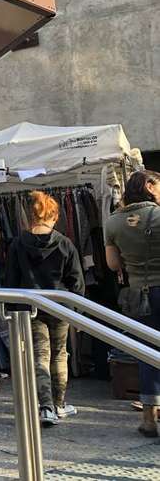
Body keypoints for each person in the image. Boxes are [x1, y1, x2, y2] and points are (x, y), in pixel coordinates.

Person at [6, 191, 85, 427]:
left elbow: (10, 280)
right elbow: (76, 280)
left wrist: (11, 309)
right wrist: (77, 313)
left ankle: (46, 406)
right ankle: (58, 405)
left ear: (31, 215)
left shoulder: (18, 244)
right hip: (59, 308)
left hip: (30, 308)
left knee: (40, 355)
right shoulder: (64, 243)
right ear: (53, 215)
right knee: (59, 354)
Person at [105, 170, 160, 438]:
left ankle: (149, 418)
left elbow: (113, 264)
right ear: (149, 187)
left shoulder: (113, 222)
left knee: (147, 352)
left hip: (138, 292)